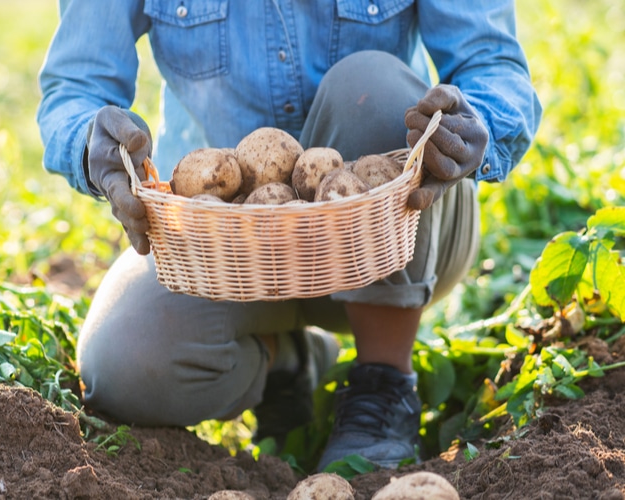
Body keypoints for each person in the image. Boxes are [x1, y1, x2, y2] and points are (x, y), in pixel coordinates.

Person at [36, 0, 541, 470]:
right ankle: (292, 363)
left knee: (370, 86)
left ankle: (384, 383)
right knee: (123, 365)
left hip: (398, 234)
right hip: (224, 252)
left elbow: (492, 63)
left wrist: (480, 124)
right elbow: (76, 86)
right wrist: (91, 142)